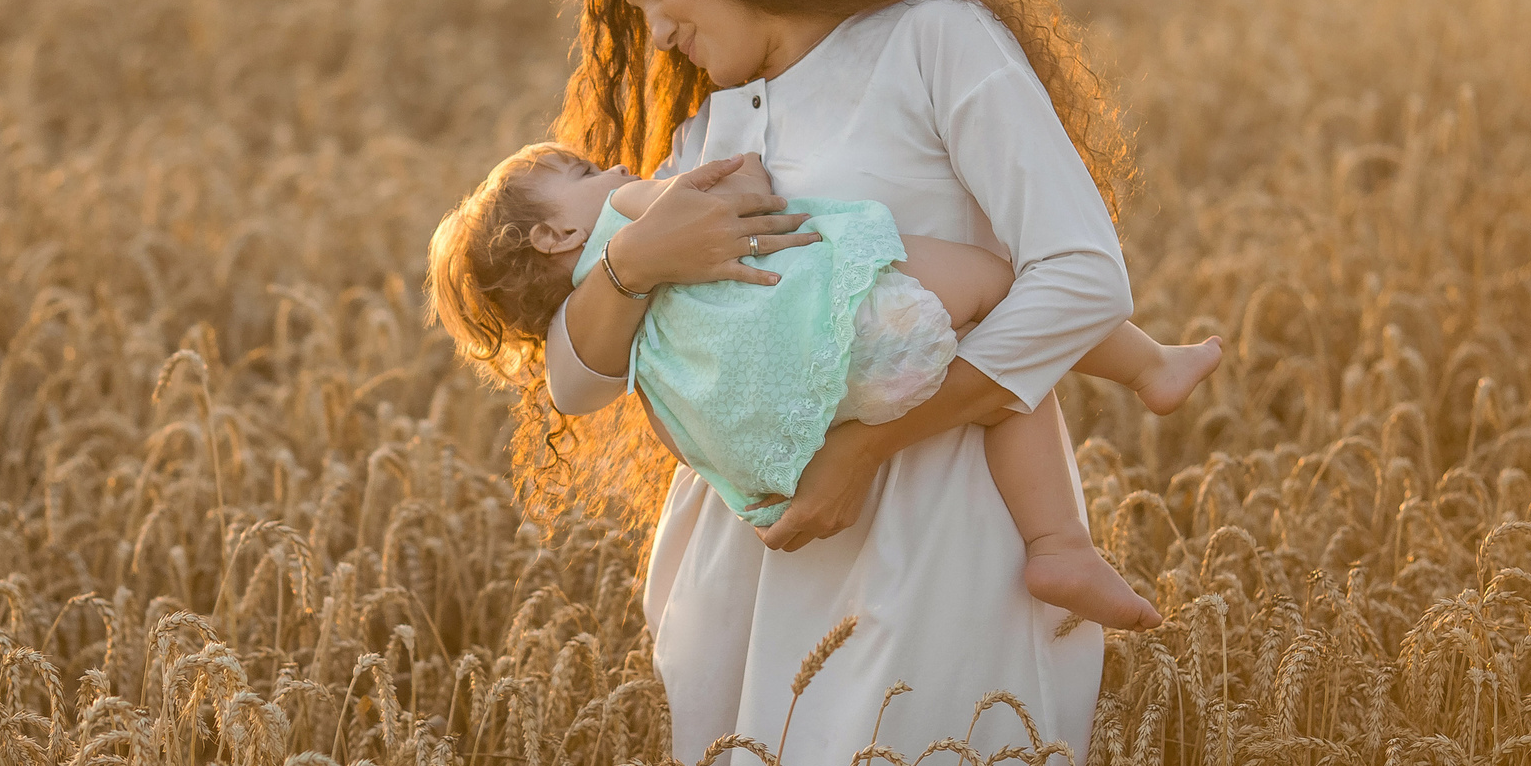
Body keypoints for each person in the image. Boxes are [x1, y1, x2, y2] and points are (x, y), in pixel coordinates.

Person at [510, 0, 1175, 766]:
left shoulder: (933, 41)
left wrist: (866, 450)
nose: (652, 29)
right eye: (629, 6)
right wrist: (638, 258)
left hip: (930, 533)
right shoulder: (717, 121)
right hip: (738, 568)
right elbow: (576, 382)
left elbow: (1082, 279)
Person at [427, 141, 1220, 628]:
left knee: (1003, 365)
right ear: (558, 233)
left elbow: (654, 419)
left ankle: (1062, 548)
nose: (614, 167)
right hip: (853, 329)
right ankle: (1142, 381)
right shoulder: (633, 218)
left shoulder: (624, 336)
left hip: (800, 428)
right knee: (1009, 310)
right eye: (585, 171)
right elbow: (748, 188)